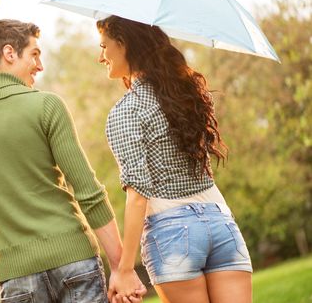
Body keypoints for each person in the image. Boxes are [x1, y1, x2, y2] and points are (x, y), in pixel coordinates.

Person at [0, 19, 146, 302]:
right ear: (9, 53)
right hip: (74, 259)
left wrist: (11, 203)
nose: (40, 65)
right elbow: (89, 192)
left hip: (16, 275)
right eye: (34, 54)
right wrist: (122, 268)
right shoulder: (46, 105)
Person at [96, 15, 253, 303]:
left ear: (123, 44)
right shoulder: (187, 95)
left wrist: (126, 268)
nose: (100, 56)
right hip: (220, 222)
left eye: (104, 46)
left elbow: (139, 194)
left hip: (172, 232)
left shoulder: (126, 111)